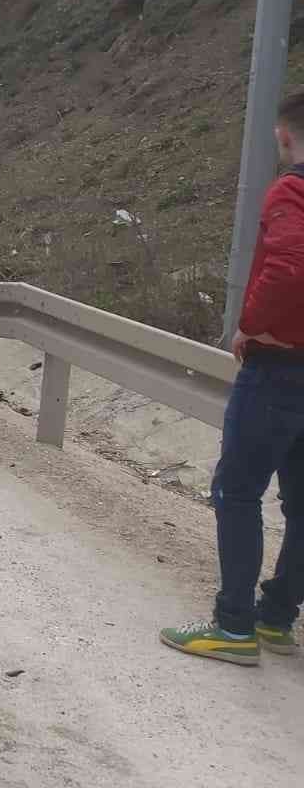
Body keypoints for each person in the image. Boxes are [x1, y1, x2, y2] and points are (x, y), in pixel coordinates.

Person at [161, 89, 304, 666]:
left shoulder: (292, 190)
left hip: (279, 372)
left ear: (284, 135)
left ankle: (233, 626)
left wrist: (253, 327)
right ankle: (277, 618)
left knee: (237, 492)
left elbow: (291, 265)